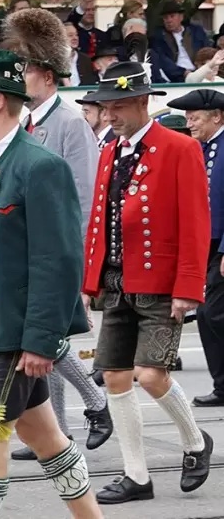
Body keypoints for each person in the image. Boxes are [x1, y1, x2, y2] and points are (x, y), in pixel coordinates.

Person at [0, 50, 102, 518]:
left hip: (16, 335)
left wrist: (41, 341)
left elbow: (57, 261)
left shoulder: (39, 165)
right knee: (44, 436)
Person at [81, 61, 213, 504]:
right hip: (117, 280)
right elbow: (100, 220)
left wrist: (188, 287)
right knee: (116, 377)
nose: (110, 114)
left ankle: (196, 442)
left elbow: (196, 222)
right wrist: (91, 277)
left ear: (142, 102)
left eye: (118, 106)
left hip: (161, 281)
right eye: (105, 106)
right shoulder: (109, 150)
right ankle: (136, 476)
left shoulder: (178, 147)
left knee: (152, 375)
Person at [0, 8, 112, 461]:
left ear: (44, 74)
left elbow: (83, 199)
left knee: (47, 338)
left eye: (22, 68)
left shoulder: (68, 124)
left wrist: (81, 265)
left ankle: (96, 402)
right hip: (27, 250)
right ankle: (59, 428)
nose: (17, 76)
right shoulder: (26, 124)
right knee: (39, 337)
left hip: (56, 251)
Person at [167, 89, 224, 408]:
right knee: (208, 314)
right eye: (187, 118)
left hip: (220, 246)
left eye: (195, 118)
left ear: (217, 116)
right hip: (205, 244)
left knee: (211, 314)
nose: (189, 123)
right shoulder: (199, 149)